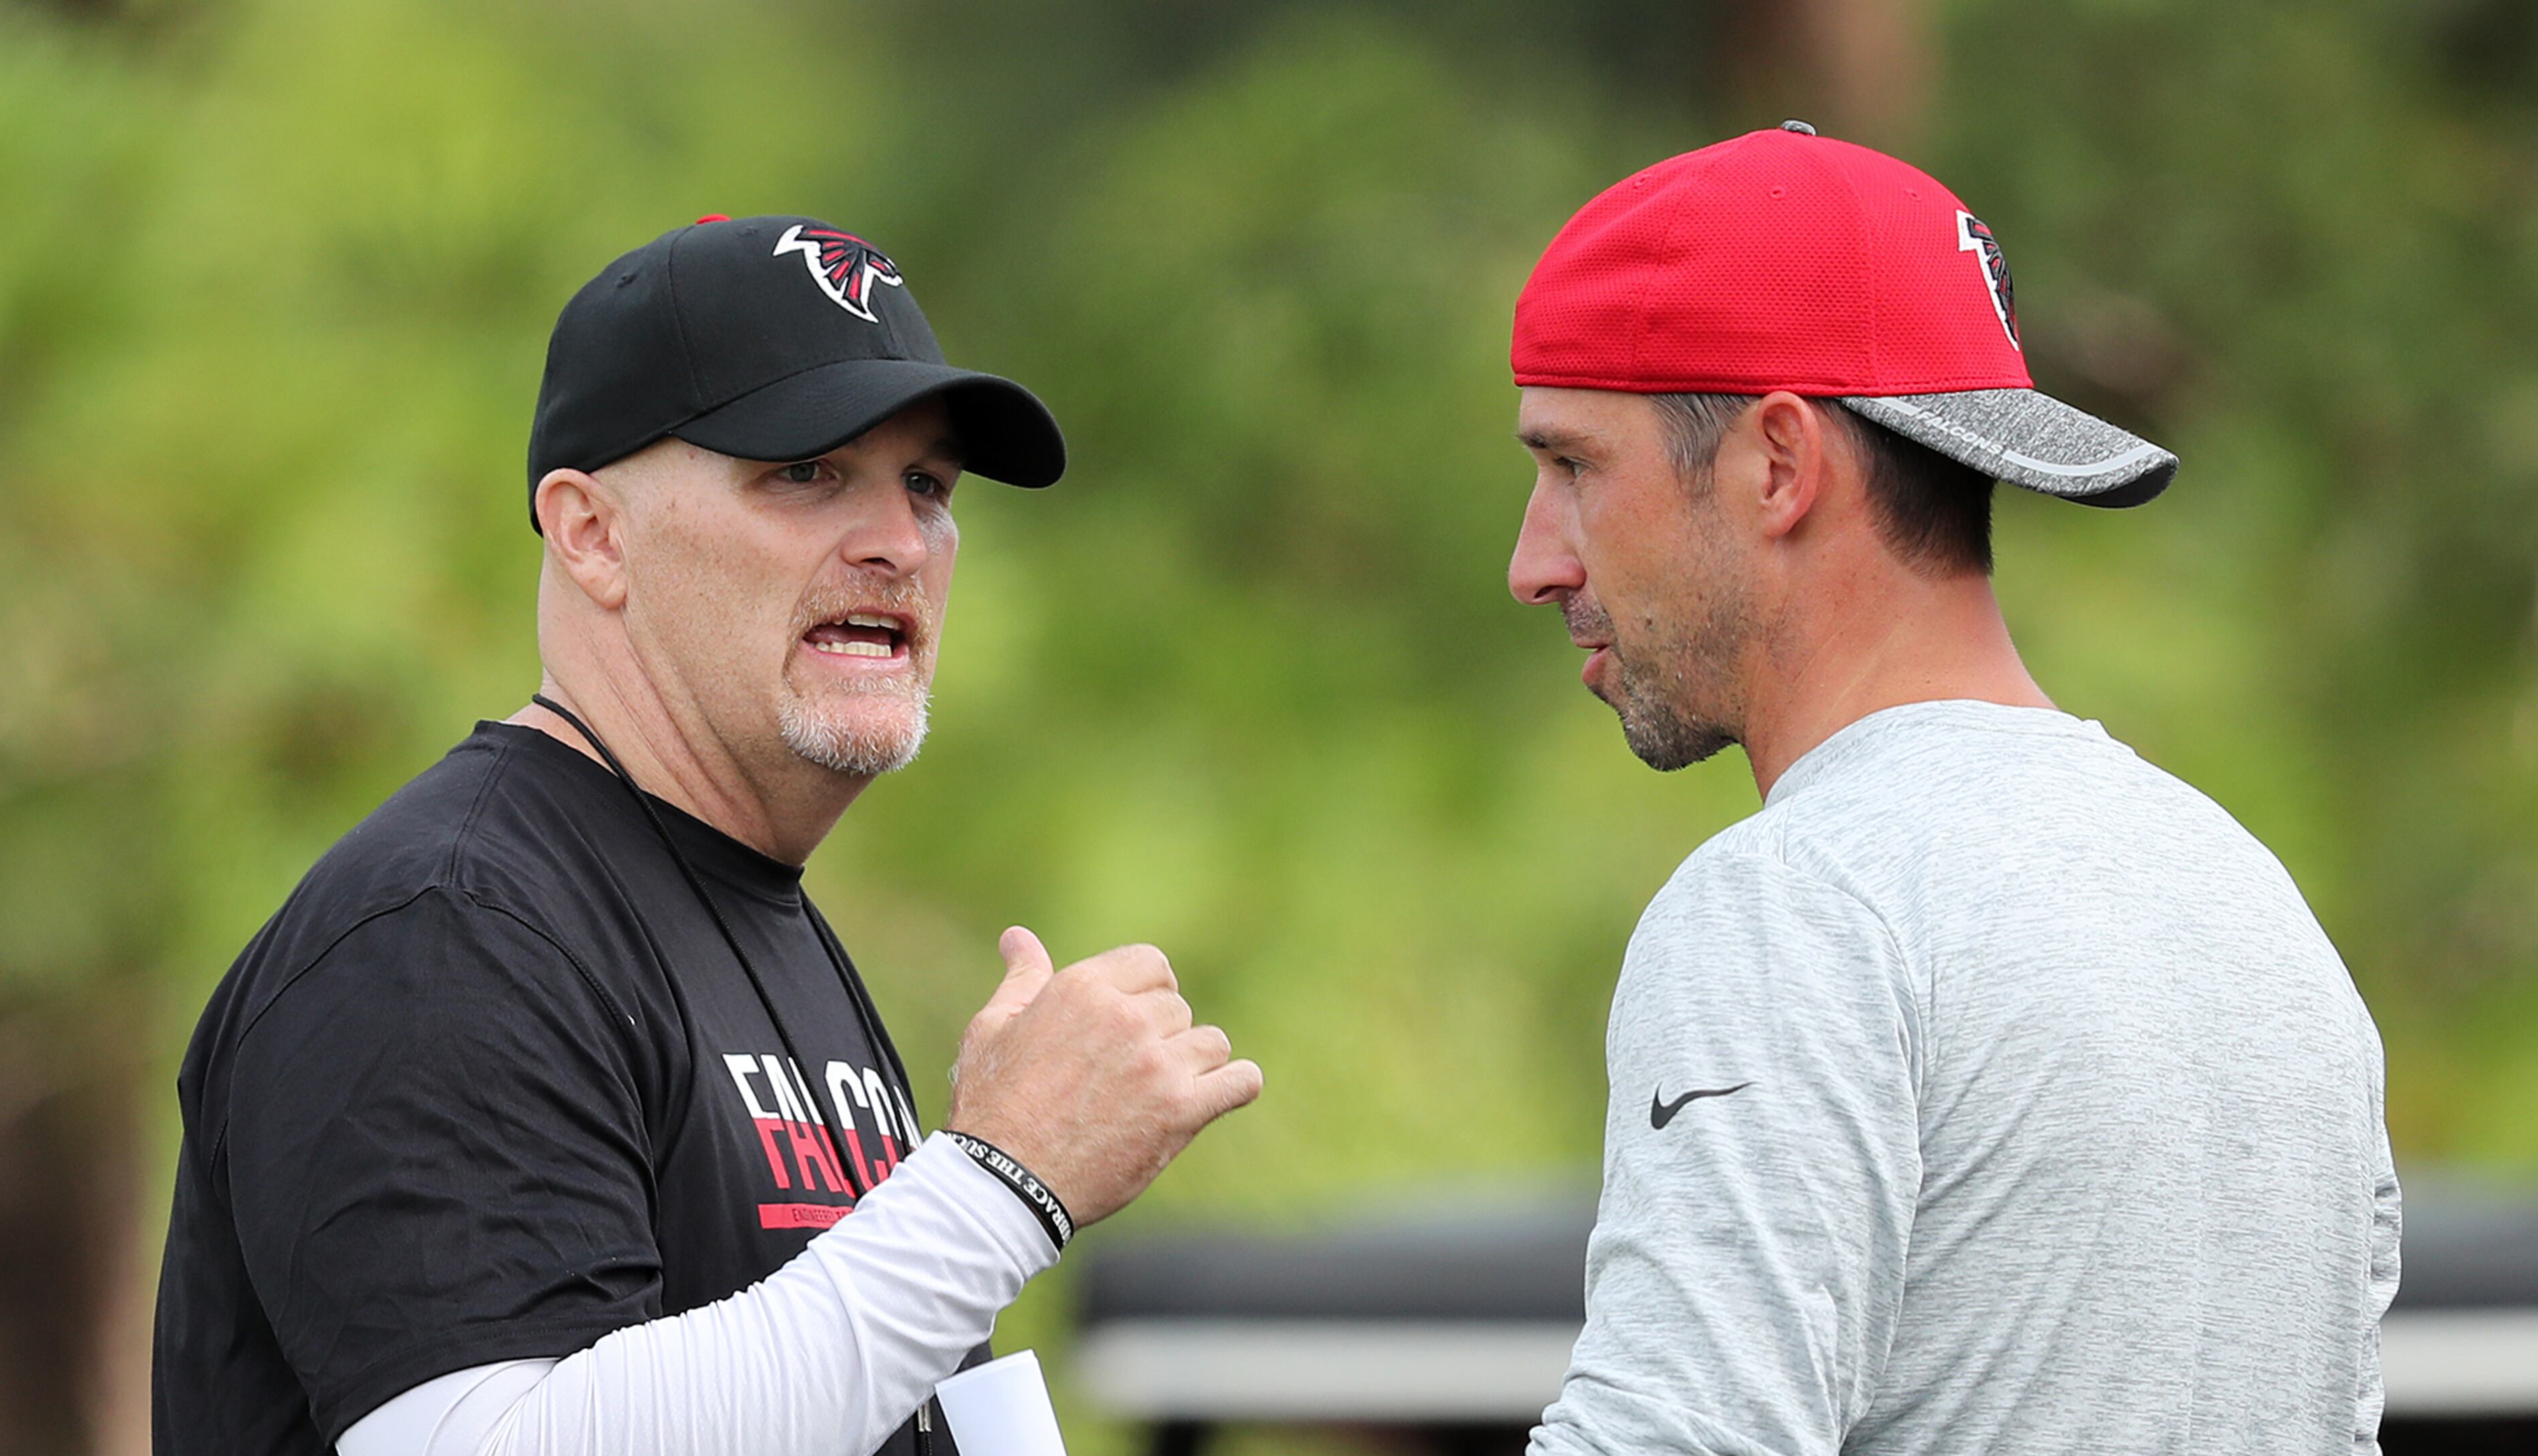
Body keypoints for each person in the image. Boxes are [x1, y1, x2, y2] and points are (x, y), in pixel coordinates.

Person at [153, 214, 1263, 1456]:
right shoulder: (446, 927)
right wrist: (1001, 1182)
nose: (898, 538)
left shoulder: (755, 918)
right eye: (805, 470)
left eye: (927, 485)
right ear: (591, 533)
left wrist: (982, 1200)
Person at [1505, 125, 2399, 1454]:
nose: (1535, 561)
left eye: (1575, 466)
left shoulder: (1797, 907)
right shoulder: (2253, 912)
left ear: (1778, 465)